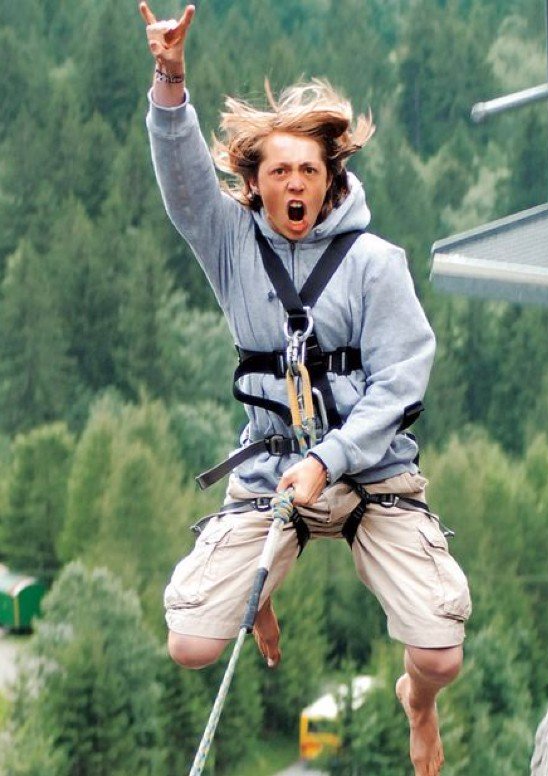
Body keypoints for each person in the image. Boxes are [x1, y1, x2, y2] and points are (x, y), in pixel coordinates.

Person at [140, 4, 471, 774]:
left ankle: (415, 704)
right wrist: (170, 77)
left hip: (371, 474)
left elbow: (399, 382)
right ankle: (258, 588)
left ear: (331, 181)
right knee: (190, 644)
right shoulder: (230, 246)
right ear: (254, 184)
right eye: (278, 171)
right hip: (269, 472)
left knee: (441, 653)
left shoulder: (375, 265)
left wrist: (332, 458)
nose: (295, 184)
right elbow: (185, 183)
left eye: (309, 171)